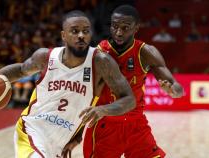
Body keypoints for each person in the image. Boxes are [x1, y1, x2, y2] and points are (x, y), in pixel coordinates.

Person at [0, 10, 135, 158]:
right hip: (32, 131)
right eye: (75, 31)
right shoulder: (45, 57)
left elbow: (129, 99)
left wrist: (102, 110)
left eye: (85, 31)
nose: (81, 36)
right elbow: (20, 70)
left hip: (60, 142)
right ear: (64, 35)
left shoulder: (101, 62)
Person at [64, 5, 184, 158]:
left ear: (136, 28)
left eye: (125, 28)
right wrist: (77, 133)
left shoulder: (146, 52)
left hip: (136, 125)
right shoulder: (99, 53)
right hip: (105, 124)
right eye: (114, 27)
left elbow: (178, 88)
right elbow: (86, 96)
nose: (118, 32)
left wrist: (173, 91)